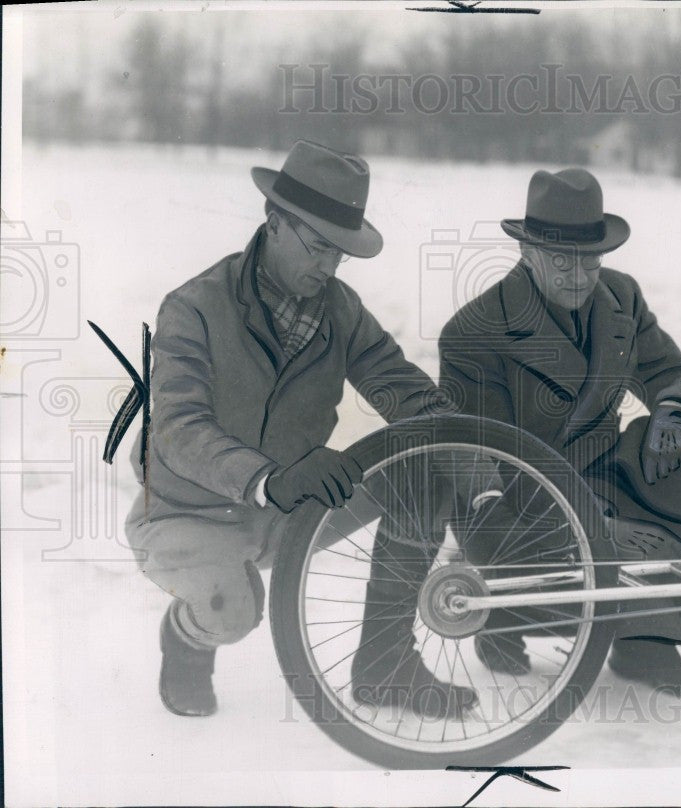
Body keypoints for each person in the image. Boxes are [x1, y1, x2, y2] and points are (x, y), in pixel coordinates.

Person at [125, 140, 473, 719]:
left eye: (341, 255)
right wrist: (267, 477)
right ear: (275, 221)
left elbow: (404, 391)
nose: (328, 268)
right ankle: (188, 638)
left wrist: (476, 460)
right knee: (232, 612)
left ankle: (385, 665)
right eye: (318, 248)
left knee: (419, 475)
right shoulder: (193, 307)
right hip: (191, 512)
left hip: (293, 509)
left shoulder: (342, 310)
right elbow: (177, 431)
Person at [438, 168, 681, 695]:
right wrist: (595, 523)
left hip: (599, 476)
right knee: (603, 552)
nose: (580, 274)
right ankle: (504, 614)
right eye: (562, 259)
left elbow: (673, 372)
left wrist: (672, 411)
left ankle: (647, 646)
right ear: (527, 252)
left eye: (591, 257)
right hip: (516, 500)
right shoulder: (475, 332)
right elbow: (484, 464)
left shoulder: (620, 298)